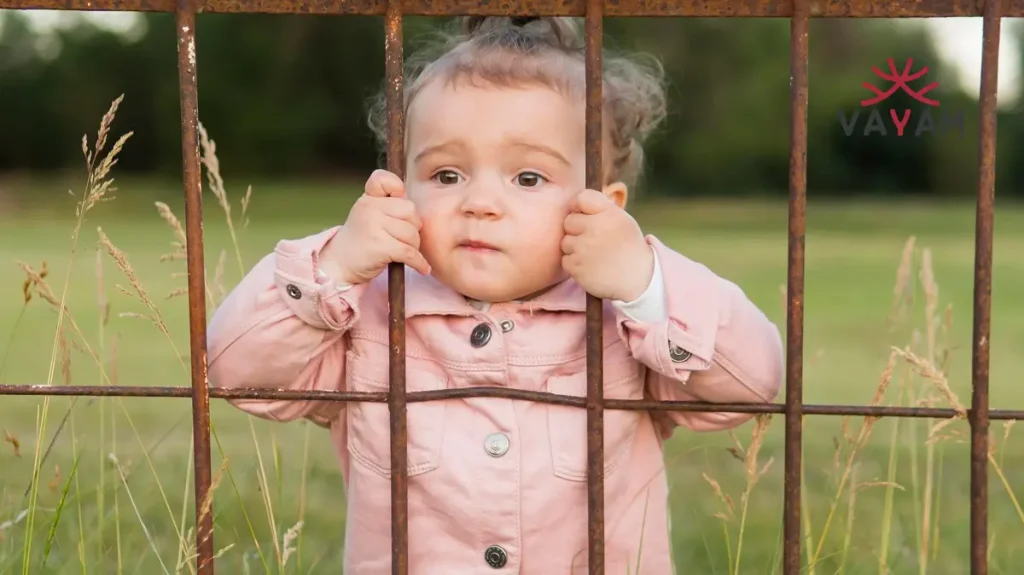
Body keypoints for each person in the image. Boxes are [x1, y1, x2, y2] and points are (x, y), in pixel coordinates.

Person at [207, 15, 784, 574]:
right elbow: (237, 373)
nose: (478, 202)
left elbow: (749, 388)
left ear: (605, 207)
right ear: (398, 186)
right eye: (446, 176)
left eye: (528, 178)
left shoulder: (625, 321)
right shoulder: (368, 314)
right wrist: (332, 267)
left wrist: (646, 283)